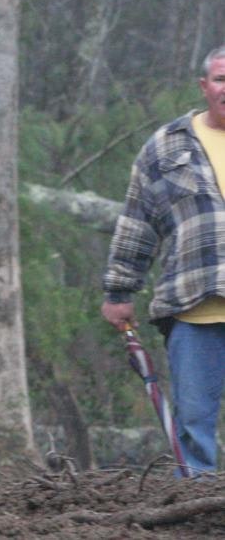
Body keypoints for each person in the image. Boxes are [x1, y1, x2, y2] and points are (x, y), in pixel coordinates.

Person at [101, 45, 225, 477]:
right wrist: (119, 290)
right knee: (193, 424)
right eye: (221, 79)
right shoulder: (167, 145)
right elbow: (137, 222)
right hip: (193, 307)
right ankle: (196, 509)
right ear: (204, 86)